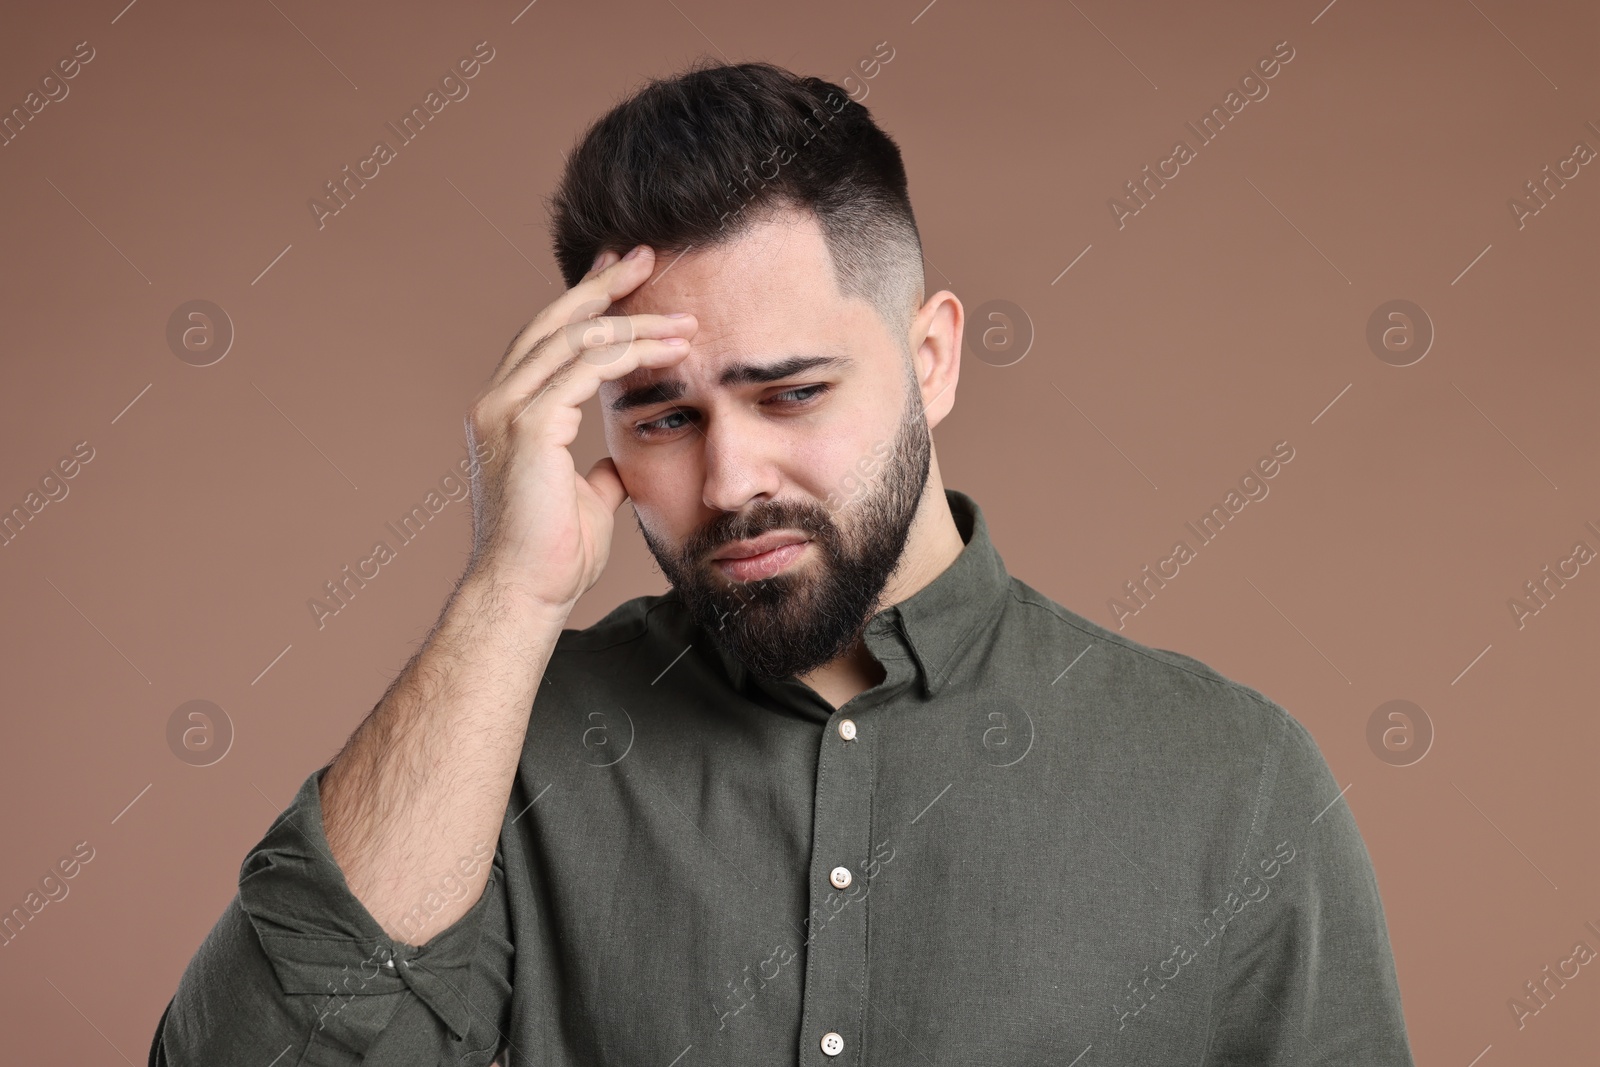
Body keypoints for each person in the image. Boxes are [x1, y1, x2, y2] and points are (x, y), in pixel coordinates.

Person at [150, 60, 1415, 1066]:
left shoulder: (1231, 782)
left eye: (792, 391)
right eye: (660, 414)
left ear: (931, 360)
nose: (729, 478)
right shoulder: (499, 759)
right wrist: (505, 593)